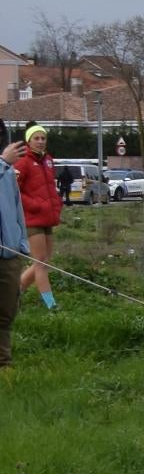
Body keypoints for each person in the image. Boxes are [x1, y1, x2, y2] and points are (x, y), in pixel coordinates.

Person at [12, 125, 59, 309]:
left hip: (48, 217)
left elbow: (50, 187)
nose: (40, 142)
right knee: (40, 262)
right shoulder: (23, 162)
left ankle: (15, 292)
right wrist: (35, 205)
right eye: (36, 138)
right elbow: (13, 189)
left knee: (45, 260)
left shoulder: (48, 160)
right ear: (28, 141)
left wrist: (57, 205)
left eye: (43, 138)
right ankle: (51, 305)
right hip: (32, 219)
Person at [0, 132, 30, 369]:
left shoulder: (8, 171)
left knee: (7, 312)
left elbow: (16, 207)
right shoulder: (4, 166)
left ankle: (3, 364)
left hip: (9, 255)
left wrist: (21, 244)